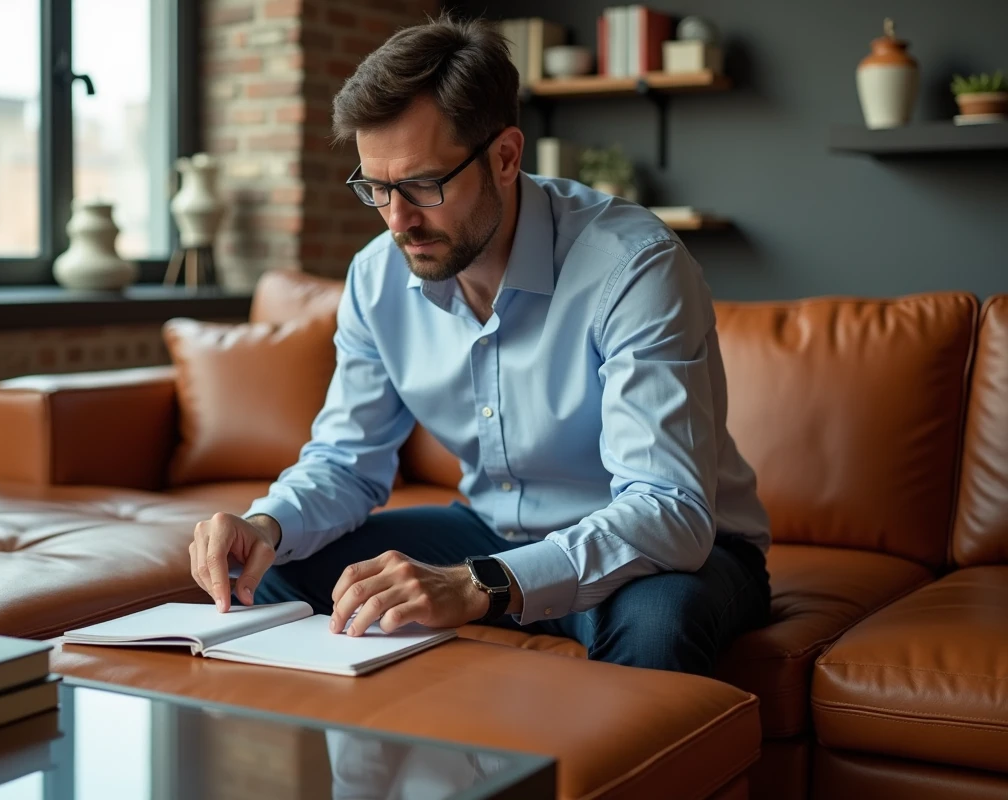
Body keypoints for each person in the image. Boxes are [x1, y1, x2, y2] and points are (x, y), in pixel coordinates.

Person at [188, 13, 772, 676]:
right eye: (376, 188)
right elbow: (347, 463)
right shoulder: (377, 279)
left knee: (661, 625)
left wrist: (476, 585)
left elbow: (668, 511)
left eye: (422, 185)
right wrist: (265, 525)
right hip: (490, 530)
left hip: (667, 549)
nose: (399, 221)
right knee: (274, 573)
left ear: (505, 157)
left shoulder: (633, 266)